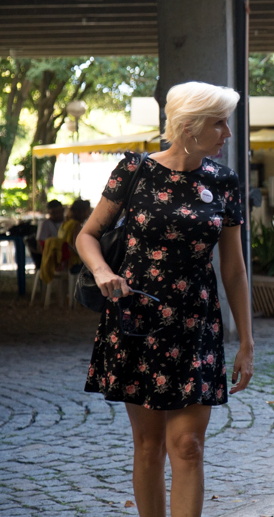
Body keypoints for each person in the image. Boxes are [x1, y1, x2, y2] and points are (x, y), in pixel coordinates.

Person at [76, 81, 254, 517]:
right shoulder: (134, 170)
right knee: (149, 445)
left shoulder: (224, 183)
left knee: (188, 446)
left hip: (196, 326)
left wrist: (247, 341)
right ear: (190, 126)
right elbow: (88, 235)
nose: (227, 134)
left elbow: (233, 267)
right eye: (220, 123)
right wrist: (102, 271)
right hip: (137, 322)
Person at [33, 199, 65, 268]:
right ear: (49, 213)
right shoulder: (44, 224)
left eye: (58, 212)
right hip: (51, 256)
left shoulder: (68, 223)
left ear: (63, 210)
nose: (56, 215)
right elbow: (40, 246)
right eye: (53, 213)